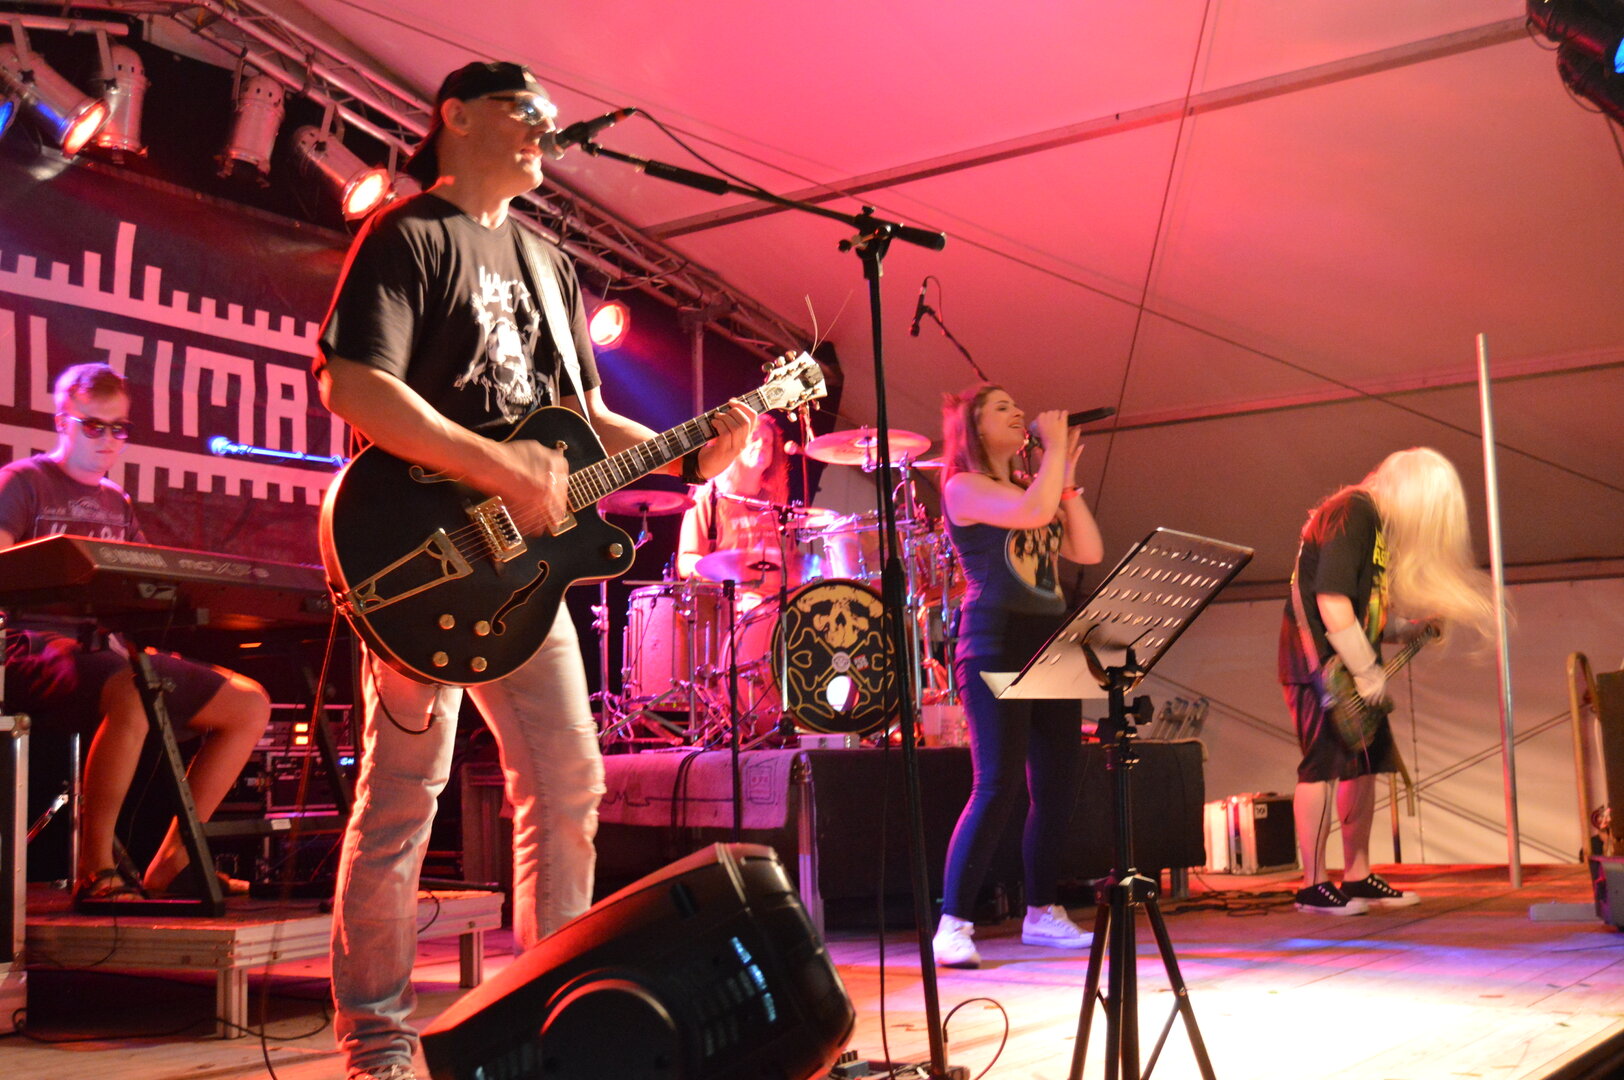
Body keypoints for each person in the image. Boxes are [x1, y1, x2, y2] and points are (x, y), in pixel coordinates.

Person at [313, 61, 753, 1080]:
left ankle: (553, 1029)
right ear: (456, 115)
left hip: (525, 574)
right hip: (423, 558)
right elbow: (355, 384)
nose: (547, 131)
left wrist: (690, 454)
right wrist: (496, 466)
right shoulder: (409, 235)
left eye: (553, 119)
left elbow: (584, 420)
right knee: (403, 799)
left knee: (566, 787)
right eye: (527, 112)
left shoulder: (551, 263)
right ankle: (376, 1042)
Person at [0, 363, 271, 905]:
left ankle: (173, 862)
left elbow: (143, 585)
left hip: (106, 653)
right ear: (62, 422)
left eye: (119, 428)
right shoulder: (22, 482)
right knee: (133, 689)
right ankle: (94, 868)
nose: (107, 439)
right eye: (93, 426)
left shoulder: (116, 501)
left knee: (249, 703)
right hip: (29, 646)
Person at [931, 384, 1105, 968]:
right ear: (975, 427)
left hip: (1050, 642)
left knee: (1057, 785)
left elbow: (1087, 551)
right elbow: (1032, 514)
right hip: (995, 640)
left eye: (1017, 406)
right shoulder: (963, 486)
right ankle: (953, 922)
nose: (1019, 413)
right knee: (997, 783)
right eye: (1002, 407)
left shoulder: (1034, 487)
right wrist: (1052, 457)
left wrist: (1067, 480)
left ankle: (1042, 910)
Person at [1280, 447, 1495, 915]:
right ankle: (1312, 885)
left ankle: (1357, 875)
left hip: (1350, 664)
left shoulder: (1373, 525)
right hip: (1320, 667)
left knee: (1363, 765)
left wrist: (1407, 630)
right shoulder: (1353, 512)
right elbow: (1332, 601)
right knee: (1323, 767)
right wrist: (1362, 667)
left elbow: (1366, 612)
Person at [676, 412, 796, 599]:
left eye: (768, 441)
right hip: (728, 603)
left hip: (774, 604)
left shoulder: (776, 503)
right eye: (754, 438)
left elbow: (793, 563)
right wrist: (731, 580)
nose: (761, 445)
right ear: (734, 446)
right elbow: (686, 562)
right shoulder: (708, 498)